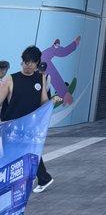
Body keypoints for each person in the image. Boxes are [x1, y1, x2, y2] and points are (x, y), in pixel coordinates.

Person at [0, 45, 61, 193]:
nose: (29, 65)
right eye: (26, 62)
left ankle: (40, 179)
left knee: (29, 153)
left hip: (30, 126)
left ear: (37, 63)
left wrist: (52, 101)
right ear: (22, 61)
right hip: (11, 126)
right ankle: (40, 179)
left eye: (33, 62)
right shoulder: (11, 79)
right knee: (13, 156)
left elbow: (43, 102)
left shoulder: (40, 78)